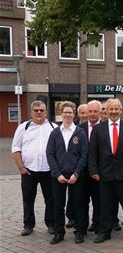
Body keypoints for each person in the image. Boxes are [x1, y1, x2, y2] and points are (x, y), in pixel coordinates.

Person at [88, 98, 123, 243]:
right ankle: (104, 232)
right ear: (106, 111)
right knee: (105, 206)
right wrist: (93, 171)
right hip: (105, 175)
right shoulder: (98, 129)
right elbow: (92, 153)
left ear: (121, 110)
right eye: (111, 109)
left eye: (116, 109)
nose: (113, 111)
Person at [46, 101, 88, 244]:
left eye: (70, 112)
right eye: (65, 112)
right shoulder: (55, 133)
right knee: (58, 205)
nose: (68, 115)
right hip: (59, 176)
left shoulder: (80, 133)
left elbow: (84, 155)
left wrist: (76, 174)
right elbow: (50, 154)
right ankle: (59, 233)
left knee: (79, 204)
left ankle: (80, 232)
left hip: (76, 176)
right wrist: (58, 174)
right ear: (61, 114)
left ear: (74, 114)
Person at [11, 100, 55, 236]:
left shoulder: (54, 127)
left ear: (46, 112)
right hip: (29, 170)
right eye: (36, 110)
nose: (39, 112)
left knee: (51, 199)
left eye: (42, 110)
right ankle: (28, 225)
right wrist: (20, 167)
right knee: (28, 199)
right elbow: (16, 148)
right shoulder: (23, 127)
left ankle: (51, 223)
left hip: (49, 170)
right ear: (31, 112)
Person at [78, 100, 103, 233]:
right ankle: (82, 227)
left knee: (98, 200)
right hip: (82, 172)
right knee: (82, 201)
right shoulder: (79, 129)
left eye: (95, 111)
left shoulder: (105, 127)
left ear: (100, 112)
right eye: (90, 111)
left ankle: (98, 224)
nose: (92, 114)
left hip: (99, 172)